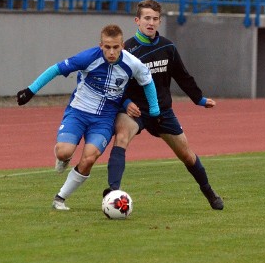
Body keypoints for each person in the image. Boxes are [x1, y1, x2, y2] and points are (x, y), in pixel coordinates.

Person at [16, 24, 160, 211]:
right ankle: (63, 159)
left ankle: (60, 198)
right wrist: (30, 90)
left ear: (122, 46)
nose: (111, 52)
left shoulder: (133, 64)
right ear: (100, 45)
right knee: (64, 151)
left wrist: (155, 112)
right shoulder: (88, 58)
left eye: (115, 47)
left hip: (104, 120)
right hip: (78, 113)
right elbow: (56, 69)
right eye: (107, 47)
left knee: (89, 158)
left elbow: (148, 83)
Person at [104, 0, 224, 210]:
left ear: (159, 21)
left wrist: (199, 99)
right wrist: (126, 103)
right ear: (137, 21)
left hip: (162, 111)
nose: (151, 22)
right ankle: (113, 192)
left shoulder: (168, 47)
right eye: (146, 18)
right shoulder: (127, 50)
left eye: (155, 19)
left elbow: (182, 76)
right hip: (136, 111)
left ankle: (208, 191)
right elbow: (114, 85)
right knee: (121, 137)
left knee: (186, 154)